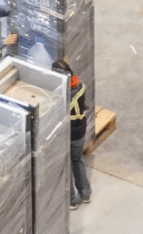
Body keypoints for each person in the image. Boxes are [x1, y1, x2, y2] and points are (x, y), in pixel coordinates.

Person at [56, 58, 92, 208]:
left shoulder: (65, 93)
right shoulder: (79, 83)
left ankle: (70, 200)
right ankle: (85, 193)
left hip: (69, 131)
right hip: (81, 129)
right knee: (78, 160)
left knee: (66, 164)